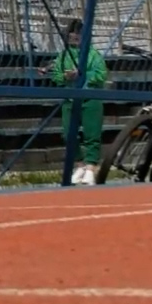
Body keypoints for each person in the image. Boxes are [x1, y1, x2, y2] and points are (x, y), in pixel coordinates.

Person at [39, 19, 108, 184]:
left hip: (90, 97)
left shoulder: (93, 54)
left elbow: (101, 75)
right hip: (70, 98)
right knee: (68, 133)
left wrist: (83, 75)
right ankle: (79, 164)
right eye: (71, 36)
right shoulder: (63, 56)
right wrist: (65, 77)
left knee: (92, 133)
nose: (74, 39)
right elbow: (56, 75)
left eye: (77, 36)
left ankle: (91, 167)